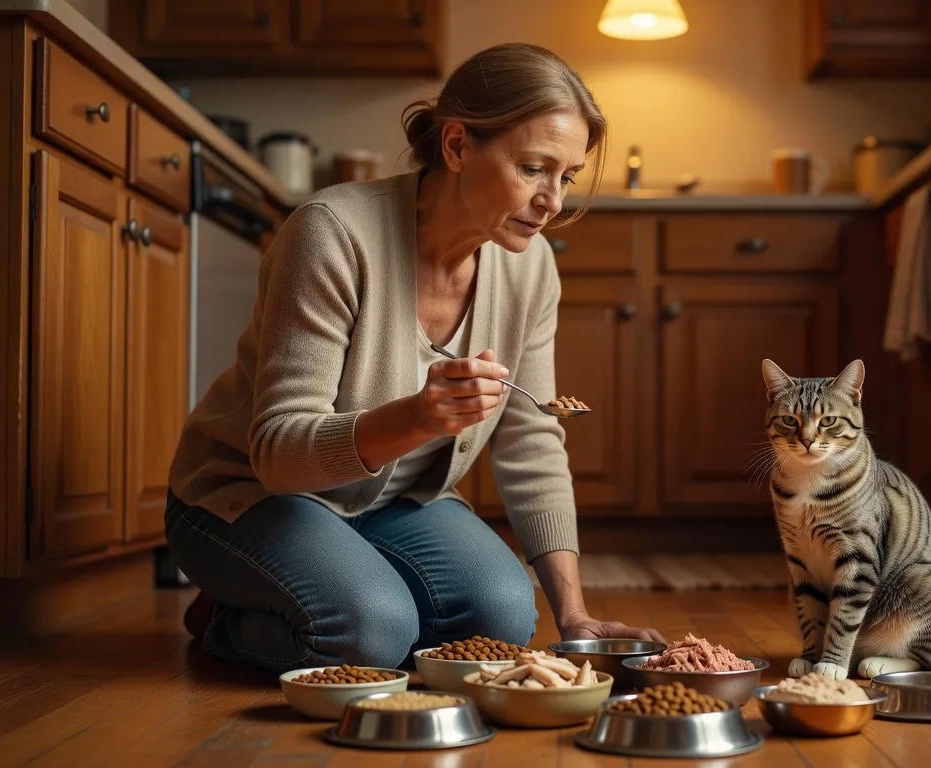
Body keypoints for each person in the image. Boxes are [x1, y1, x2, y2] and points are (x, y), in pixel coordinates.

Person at [162, 42, 666, 673]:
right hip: (248, 495)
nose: (553, 201)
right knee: (371, 631)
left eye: (565, 177)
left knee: (502, 619)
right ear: (456, 146)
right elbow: (278, 453)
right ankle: (226, 618)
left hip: (392, 505)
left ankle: (336, 586)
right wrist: (417, 418)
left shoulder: (531, 267)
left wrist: (575, 617)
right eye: (534, 168)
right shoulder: (332, 233)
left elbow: (531, 437)